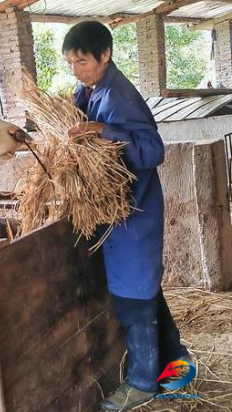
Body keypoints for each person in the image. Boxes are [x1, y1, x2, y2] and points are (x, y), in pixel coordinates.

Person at [62, 21, 190, 411]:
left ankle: (141, 383)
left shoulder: (121, 98)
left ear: (106, 55)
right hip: (114, 215)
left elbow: (152, 151)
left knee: (133, 299)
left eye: (82, 61)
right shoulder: (90, 89)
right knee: (144, 291)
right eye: (70, 63)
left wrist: (104, 131)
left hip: (134, 214)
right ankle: (177, 362)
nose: (76, 70)